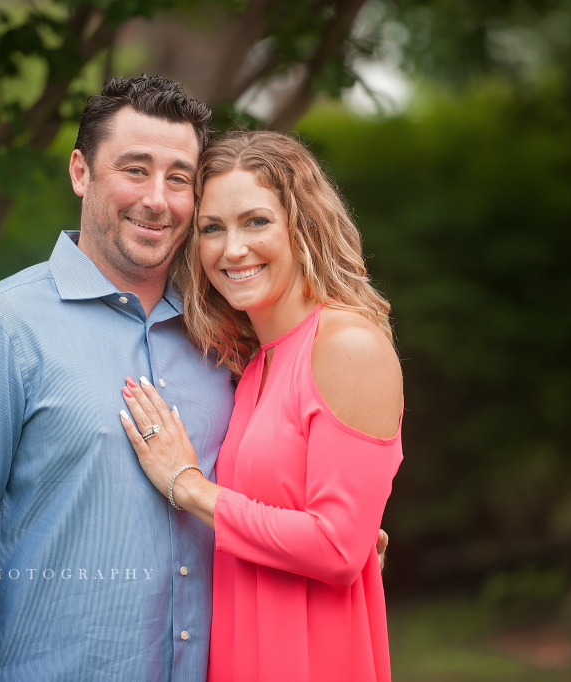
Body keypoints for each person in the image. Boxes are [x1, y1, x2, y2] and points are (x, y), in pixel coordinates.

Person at [0, 76, 235, 681]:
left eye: (179, 177)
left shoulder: (220, 341)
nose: (158, 199)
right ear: (81, 172)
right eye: (135, 169)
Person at [119, 130, 404, 682]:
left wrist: (191, 486)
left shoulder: (346, 344)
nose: (233, 250)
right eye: (211, 229)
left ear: (303, 226)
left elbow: (338, 550)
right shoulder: (255, 367)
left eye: (256, 221)